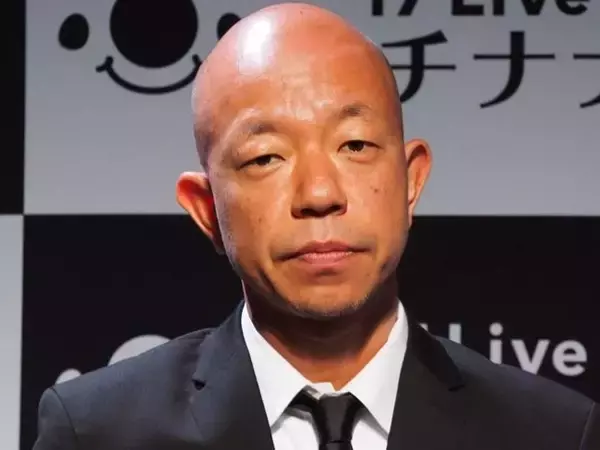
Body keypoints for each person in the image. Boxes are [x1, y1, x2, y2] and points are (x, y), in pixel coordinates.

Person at [33, 3, 599, 450]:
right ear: (206, 209)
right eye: (266, 157)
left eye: (355, 145)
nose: (319, 195)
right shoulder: (98, 431)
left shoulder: (551, 433)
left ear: (410, 181)